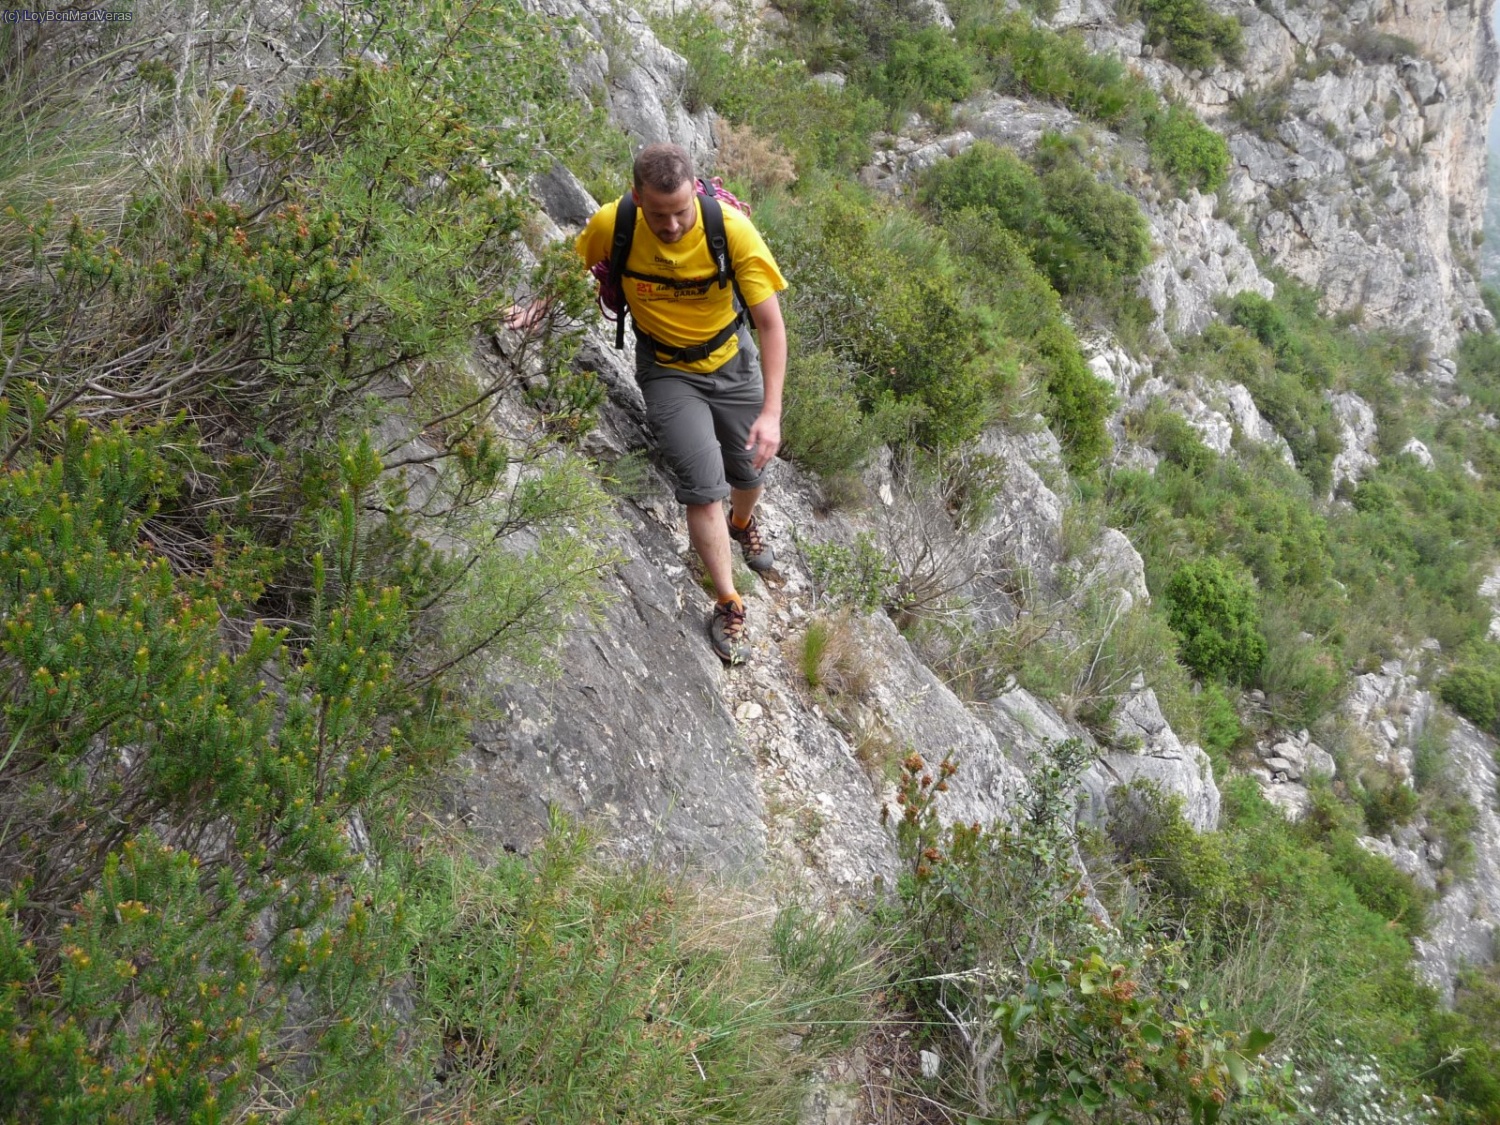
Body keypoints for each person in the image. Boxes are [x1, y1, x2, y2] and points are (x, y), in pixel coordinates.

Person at [574, 143, 789, 665]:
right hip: (666, 370)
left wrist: (771, 413)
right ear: (636, 198)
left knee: (747, 471)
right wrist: (533, 307)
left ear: (695, 192)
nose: (670, 225)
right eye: (657, 213)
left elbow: (770, 323)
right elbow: (567, 265)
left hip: (731, 361)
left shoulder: (731, 231)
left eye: (680, 212)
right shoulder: (614, 223)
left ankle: (743, 524)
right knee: (702, 487)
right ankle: (728, 600)